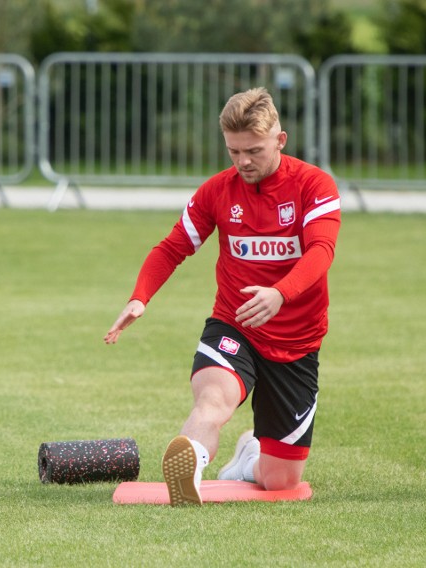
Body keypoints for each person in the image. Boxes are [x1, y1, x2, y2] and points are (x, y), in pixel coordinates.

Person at [104, 87, 340, 506]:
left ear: (280, 141)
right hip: (235, 324)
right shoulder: (217, 190)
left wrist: (279, 294)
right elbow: (172, 247)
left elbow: (322, 251)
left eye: (254, 150)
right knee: (213, 399)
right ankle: (189, 468)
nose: (243, 161)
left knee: (280, 480)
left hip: (297, 342)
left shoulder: (313, 185)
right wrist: (140, 297)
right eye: (233, 151)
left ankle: (248, 458)